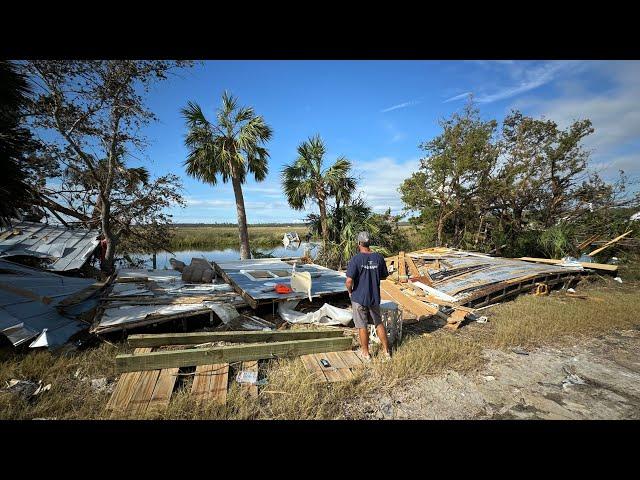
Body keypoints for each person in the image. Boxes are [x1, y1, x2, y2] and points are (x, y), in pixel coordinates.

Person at [345, 231, 391, 361]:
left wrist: (350, 291)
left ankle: (366, 353)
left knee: (362, 325)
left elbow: (349, 281)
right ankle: (386, 351)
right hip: (374, 297)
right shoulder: (379, 258)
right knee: (378, 322)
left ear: (359, 243)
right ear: (369, 242)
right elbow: (383, 276)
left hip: (359, 297)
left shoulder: (356, 259)